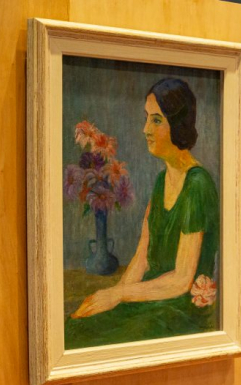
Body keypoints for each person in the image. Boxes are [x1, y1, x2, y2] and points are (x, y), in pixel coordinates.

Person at [65, 78, 219, 348]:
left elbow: (181, 280)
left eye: (156, 120)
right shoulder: (161, 182)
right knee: (77, 326)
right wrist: (112, 296)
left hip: (179, 310)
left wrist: (119, 295)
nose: (145, 129)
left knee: (96, 340)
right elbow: (141, 259)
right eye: (146, 118)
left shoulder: (198, 184)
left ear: (178, 124)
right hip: (149, 299)